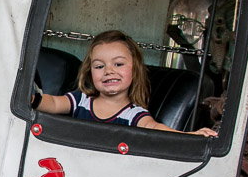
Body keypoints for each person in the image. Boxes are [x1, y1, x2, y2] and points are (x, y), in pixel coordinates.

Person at [31, 30, 219, 137]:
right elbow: (54, 103)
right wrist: (31, 99)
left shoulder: (133, 115)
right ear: (90, 72)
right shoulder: (81, 100)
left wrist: (188, 137)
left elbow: (153, 128)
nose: (108, 71)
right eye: (99, 66)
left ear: (135, 70)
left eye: (118, 64)